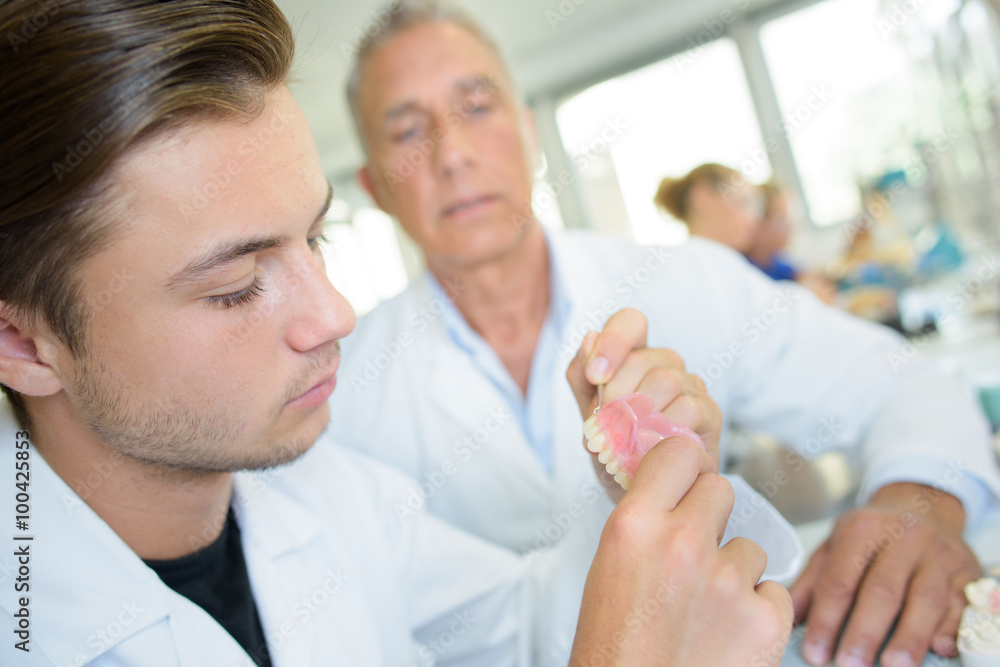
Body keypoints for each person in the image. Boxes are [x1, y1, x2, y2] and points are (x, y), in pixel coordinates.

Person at [0, 0, 796, 665]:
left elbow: (521, 628)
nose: (337, 315)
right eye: (235, 288)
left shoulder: (334, 495)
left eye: (315, 240)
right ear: (25, 344)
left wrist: (635, 502)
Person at [329, 2, 1000, 666]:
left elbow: (904, 382)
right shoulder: (340, 393)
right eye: (408, 131)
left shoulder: (687, 281)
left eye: (476, 107)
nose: (454, 154)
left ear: (528, 131)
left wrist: (923, 502)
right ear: (374, 187)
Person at [746, 182, 836, 303]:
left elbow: (803, 274)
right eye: (781, 218)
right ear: (756, 224)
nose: (790, 225)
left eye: (790, 215)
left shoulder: (773, 260)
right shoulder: (750, 273)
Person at [654, 163, 763, 253]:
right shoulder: (684, 267)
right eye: (742, 202)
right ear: (702, 196)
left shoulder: (735, 267)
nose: (753, 219)